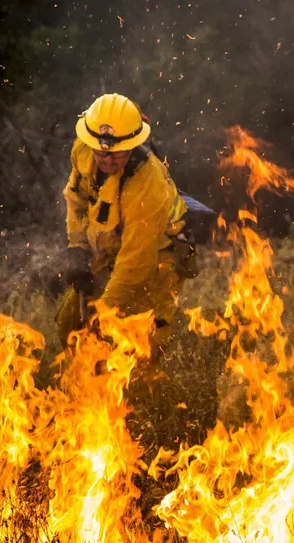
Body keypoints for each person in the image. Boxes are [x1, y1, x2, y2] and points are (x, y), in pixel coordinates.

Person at [57, 93, 189, 351]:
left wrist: (104, 312)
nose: (107, 160)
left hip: (156, 259)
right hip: (110, 248)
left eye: (117, 153)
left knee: (137, 346)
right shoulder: (84, 150)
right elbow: (77, 202)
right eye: (101, 152)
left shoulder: (148, 184)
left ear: (132, 145)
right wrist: (78, 248)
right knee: (70, 325)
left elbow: (136, 262)